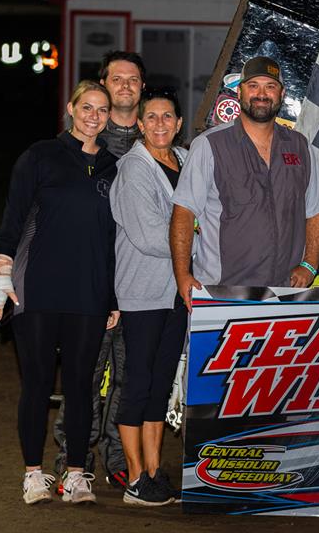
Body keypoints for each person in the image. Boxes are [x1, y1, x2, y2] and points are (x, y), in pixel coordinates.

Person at [0, 80, 121, 505]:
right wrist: (0, 273)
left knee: (81, 386)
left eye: (102, 109)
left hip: (89, 294)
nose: (94, 116)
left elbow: (114, 238)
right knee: (38, 385)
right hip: (37, 291)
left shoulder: (112, 167)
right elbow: (13, 218)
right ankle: (33, 473)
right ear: (71, 107)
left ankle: (76, 476)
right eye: (87, 107)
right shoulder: (40, 156)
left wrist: (114, 298)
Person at [170, 56, 319, 307]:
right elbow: (183, 212)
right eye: (253, 85)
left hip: (284, 291)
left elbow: (318, 208)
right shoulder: (210, 145)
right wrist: (182, 274)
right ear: (239, 91)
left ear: (282, 93)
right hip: (222, 289)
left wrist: (310, 263)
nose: (261, 94)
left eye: (270, 86)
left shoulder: (300, 146)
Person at [53, 50, 146, 490]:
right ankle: (71, 458)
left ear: (141, 88)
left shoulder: (157, 138)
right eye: (117, 79)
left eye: (133, 79)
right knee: (83, 374)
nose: (125, 85)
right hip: (90, 284)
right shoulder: (84, 139)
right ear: (103, 86)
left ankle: (118, 459)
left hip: (140, 284)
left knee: (129, 379)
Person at [109, 89, 187, 506]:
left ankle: (156, 471)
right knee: (137, 382)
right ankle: (135, 478)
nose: (159, 124)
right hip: (142, 292)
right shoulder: (134, 170)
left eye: (167, 117)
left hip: (178, 291)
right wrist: (198, 237)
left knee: (159, 385)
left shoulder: (187, 161)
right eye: (151, 117)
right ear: (140, 124)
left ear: (178, 123)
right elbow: (150, 237)